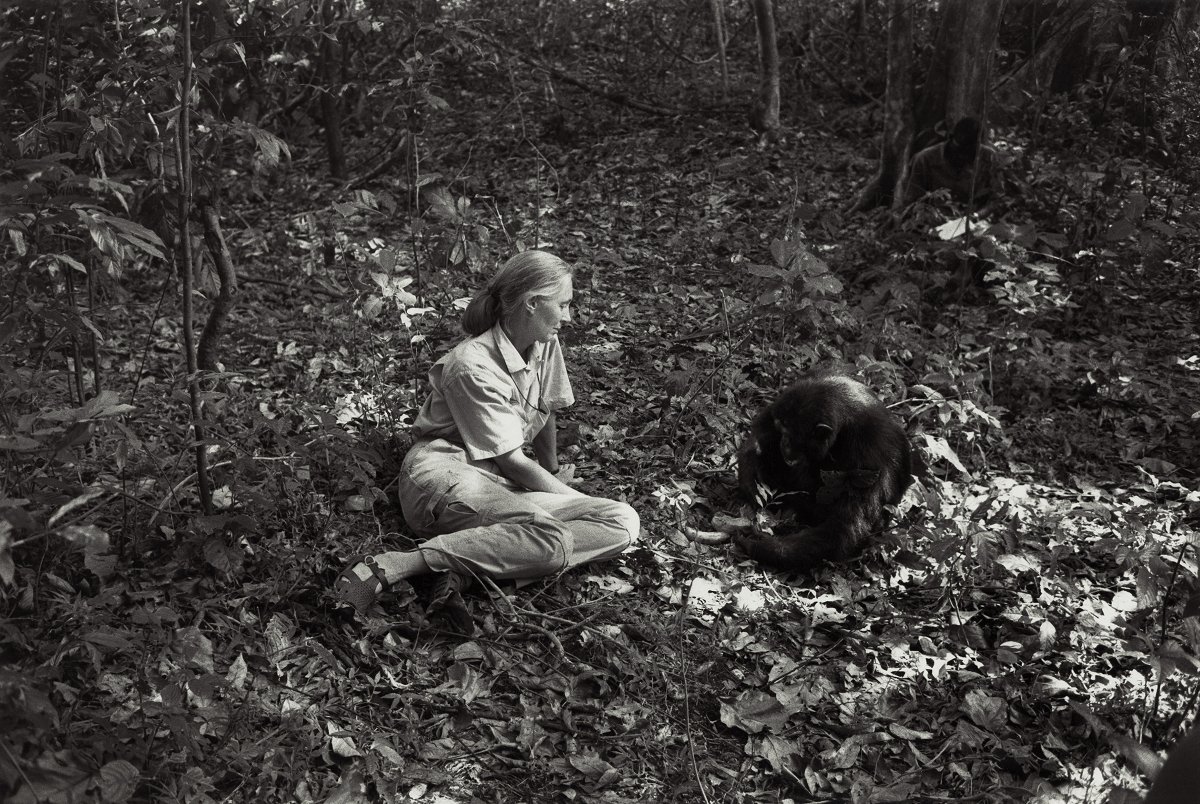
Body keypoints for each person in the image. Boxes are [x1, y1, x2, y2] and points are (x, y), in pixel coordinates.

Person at [334, 250, 640, 614]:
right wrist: (575, 502)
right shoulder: (471, 366)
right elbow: (512, 462)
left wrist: (555, 474)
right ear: (531, 303)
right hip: (443, 477)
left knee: (622, 520)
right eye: (563, 305)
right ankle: (400, 563)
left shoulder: (545, 340)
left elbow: (548, 408)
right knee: (553, 538)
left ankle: (473, 567)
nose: (569, 316)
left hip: (500, 483)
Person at [901, 117, 999, 210]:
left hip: (975, 220)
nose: (962, 156)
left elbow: (996, 199)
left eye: (969, 152)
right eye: (959, 150)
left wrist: (976, 217)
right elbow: (913, 200)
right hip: (934, 220)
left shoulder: (989, 157)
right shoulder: (925, 159)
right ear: (951, 139)